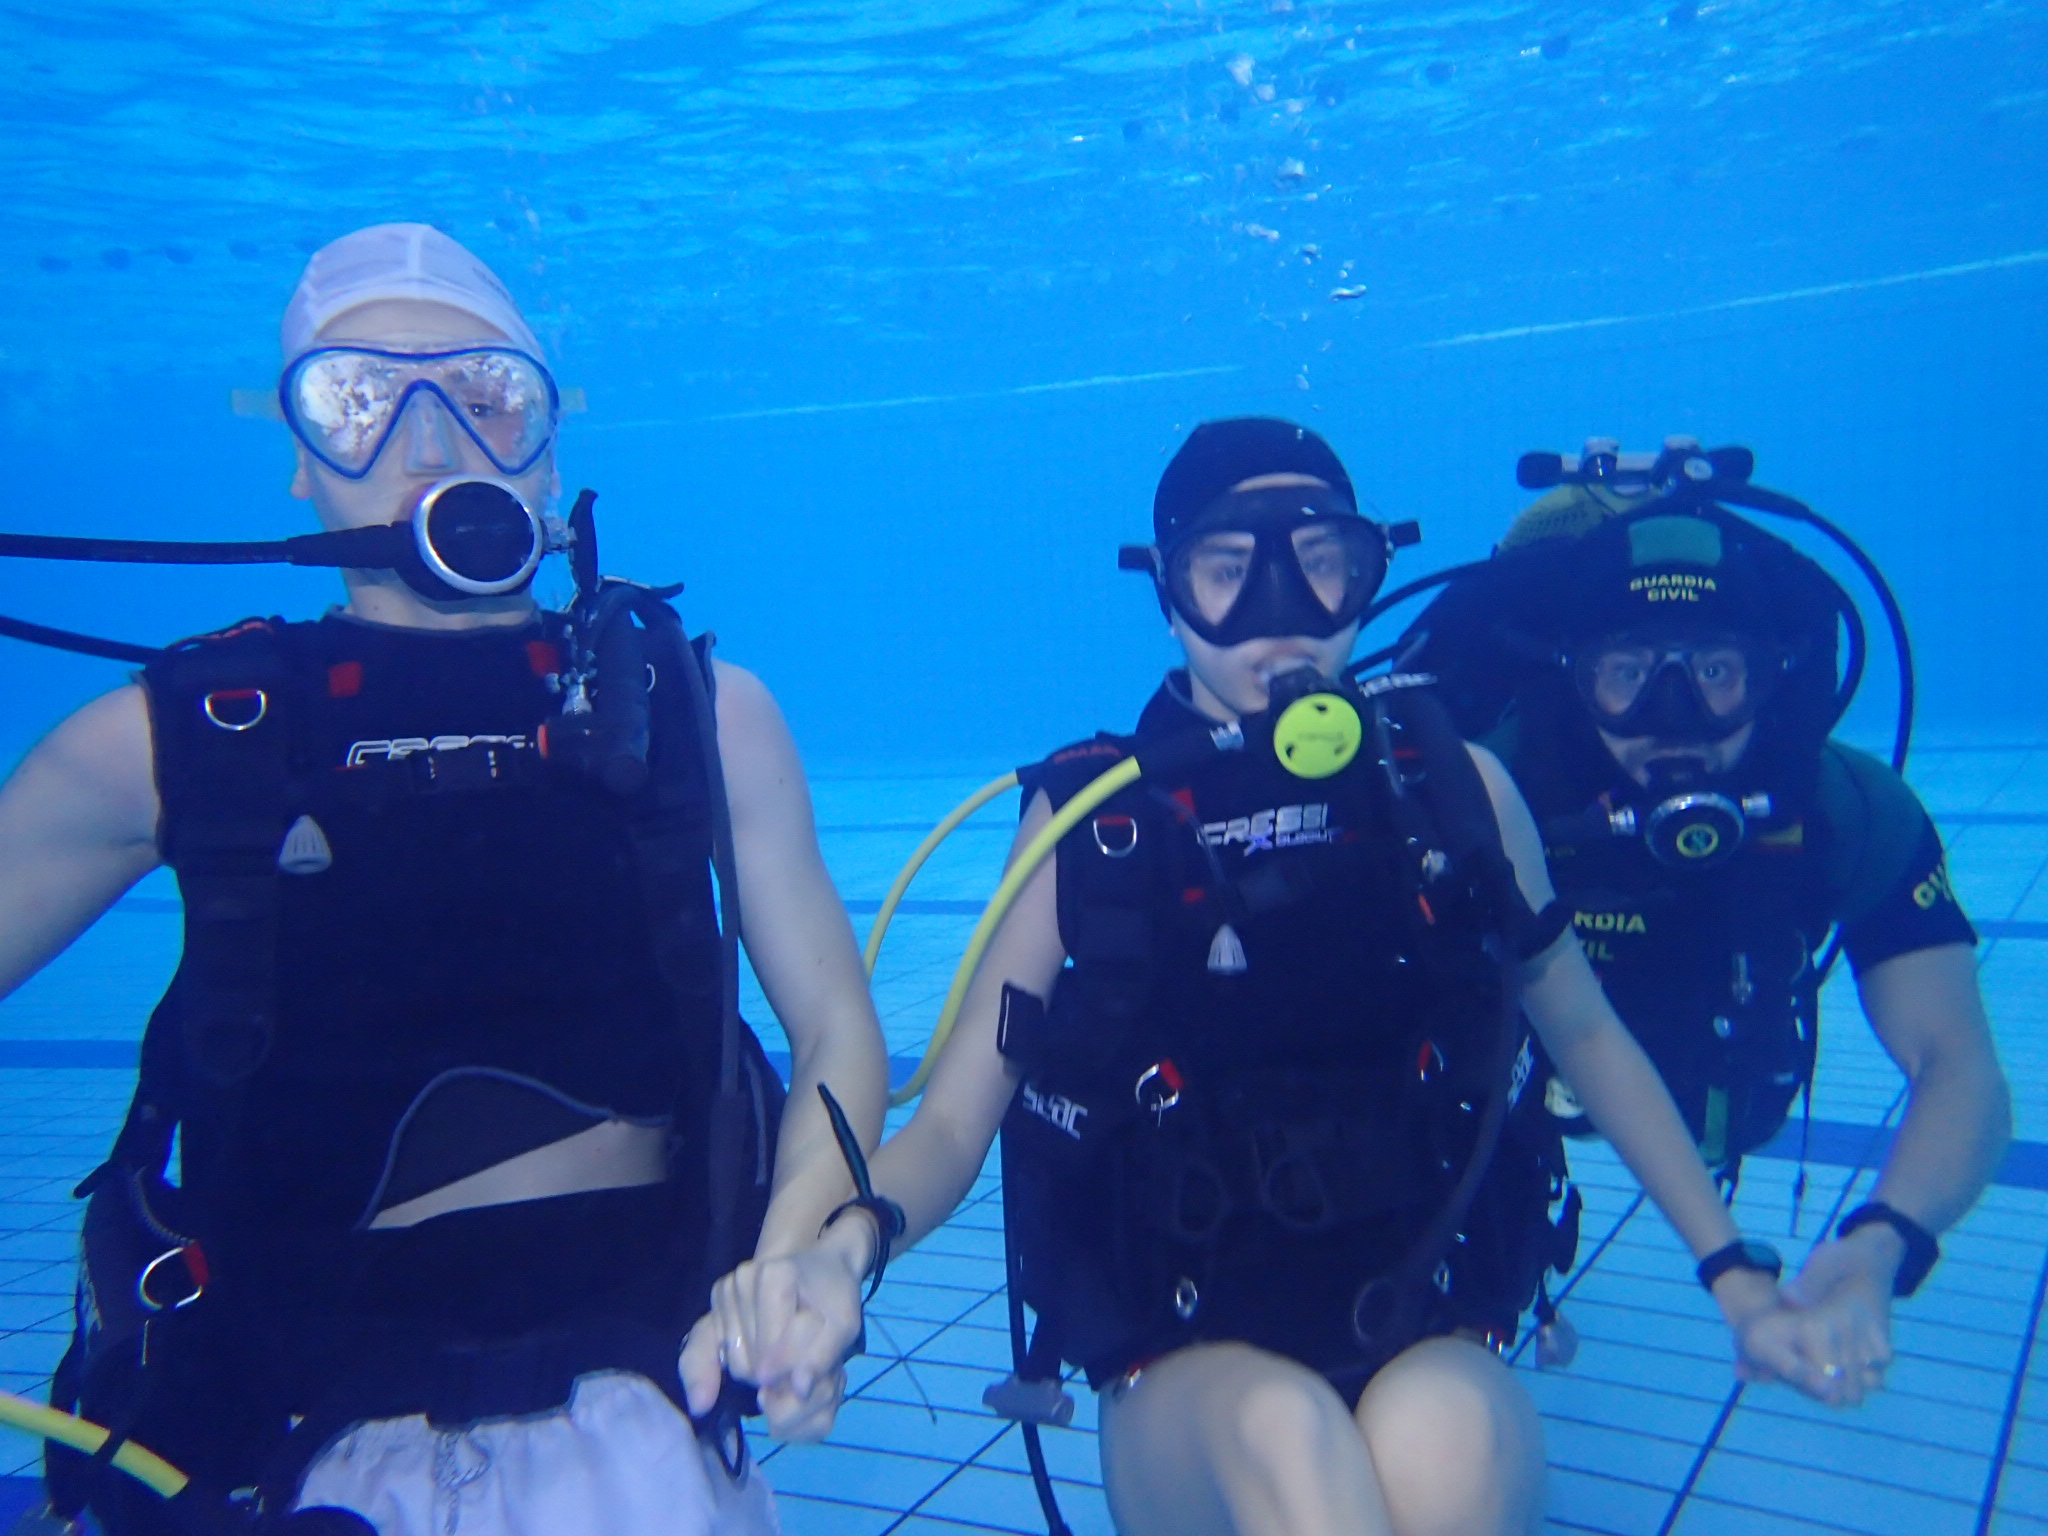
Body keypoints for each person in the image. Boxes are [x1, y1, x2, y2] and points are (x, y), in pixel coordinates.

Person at [693, 419, 1841, 1536]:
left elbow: (1585, 1037)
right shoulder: (1093, 825)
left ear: (1366, 574)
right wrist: (841, 1251)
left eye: (1323, 565)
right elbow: (951, 1122)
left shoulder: (1452, 790)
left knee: (1445, 1459)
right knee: (1290, 1440)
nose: (1279, 616)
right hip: (1179, 1359)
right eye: (1226, 572)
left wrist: (1733, 1274)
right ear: (1168, 593)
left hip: (1424, 1311)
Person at [0, 224, 887, 1535]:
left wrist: (805, 1249)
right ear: (300, 457)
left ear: (550, 447)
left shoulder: (705, 715)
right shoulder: (177, 738)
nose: (430, 444)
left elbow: (835, 1030)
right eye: (356, 401)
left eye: (485, 394)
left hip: (651, 1435)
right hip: (276, 1465)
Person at [1399, 443, 2011, 1411]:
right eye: (1626, 672)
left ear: (1774, 677)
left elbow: (1958, 1063)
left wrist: (1879, 1244)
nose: (1671, 715)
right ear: (1571, 679)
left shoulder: (1844, 811)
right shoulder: (1492, 793)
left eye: (1717, 670)